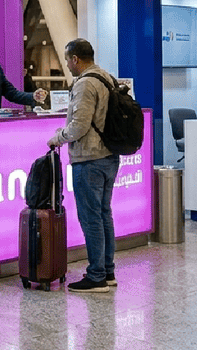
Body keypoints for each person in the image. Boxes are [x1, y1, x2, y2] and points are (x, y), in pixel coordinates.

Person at [46, 38, 119, 293]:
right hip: (110, 156)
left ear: (75, 59)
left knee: (91, 219)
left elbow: (79, 126)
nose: (67, 65)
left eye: (67, 60)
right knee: (103, 214)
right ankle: (107, 271)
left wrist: (58, 137)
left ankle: (96, 275)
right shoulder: (107, 77)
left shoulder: (85, 83)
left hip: (89, 159)